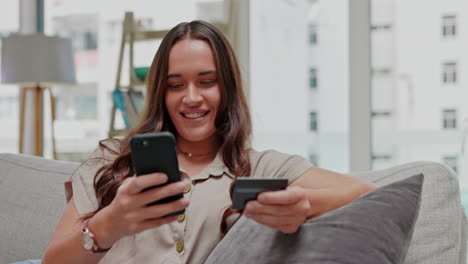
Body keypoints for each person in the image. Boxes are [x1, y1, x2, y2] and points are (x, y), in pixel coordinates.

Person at [42, 20, 376, 264]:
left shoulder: (259, 167)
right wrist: (108, 225)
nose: (191, 98)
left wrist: (305, 206)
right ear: (160, 93)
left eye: (207, 82)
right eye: (175, 85)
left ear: (227, 88)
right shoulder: (111, 161)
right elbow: (52, 262)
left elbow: (370, 194)